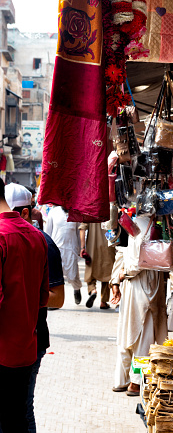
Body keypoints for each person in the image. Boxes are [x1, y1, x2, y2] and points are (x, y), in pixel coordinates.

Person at [4, 183, 65, 433]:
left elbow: (57, 299)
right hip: (17, 343)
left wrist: (22, 296)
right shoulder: (23, 239)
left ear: (26, 212)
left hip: (27, 342)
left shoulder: (43, 243)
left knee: (21, 411)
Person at [0, 179, 49, 432]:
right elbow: (44, 298)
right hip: (26, 348)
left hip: (2, 351)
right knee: (18, 417)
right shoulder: (37, 237)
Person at [111, 216, 167, 396]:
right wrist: (119, 278)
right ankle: (134, 382)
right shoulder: (146, 226)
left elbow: (122, 254)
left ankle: (124, 379)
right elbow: (135, 261)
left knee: (129, 331)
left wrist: (117, 280)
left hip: (135, 285)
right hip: (142, 286)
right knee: (142, 333)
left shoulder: (137, 224)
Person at [45, 205, 82, 304]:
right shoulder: (53, 212)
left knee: (73, 275)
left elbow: (79, 233)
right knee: (55, 275)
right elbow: (48, 232)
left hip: (71, 248)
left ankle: (76, 289)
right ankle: (53, 298)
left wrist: (81, 248)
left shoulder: (76, 212)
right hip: (56, 248)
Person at [79, 223, 115, 309]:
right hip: (108, 245)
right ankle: (104, 301)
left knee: (90, 270)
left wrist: (82, 247)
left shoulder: (89, 210)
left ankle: (92, 290)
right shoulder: (111, 209)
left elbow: (82, 229)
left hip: (92, 246)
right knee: (107, 272)